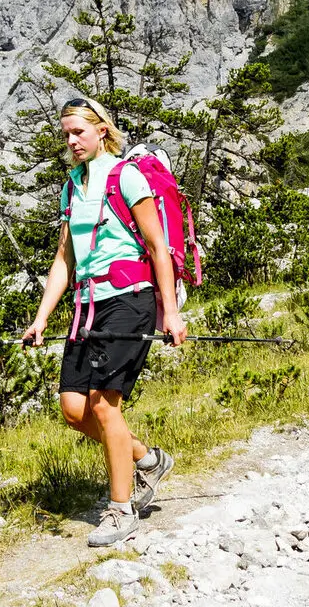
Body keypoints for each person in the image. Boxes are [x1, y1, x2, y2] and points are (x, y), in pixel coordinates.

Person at [22, 97, 186, 546]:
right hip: (88, 304)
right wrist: (40, 319)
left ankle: (120, 509)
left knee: (103, 405)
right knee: (74, 410)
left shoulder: (125, 177)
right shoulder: (72, 186)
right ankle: (149, 461)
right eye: (66, 135)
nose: (72, 141)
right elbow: (63, 259)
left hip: (130, 300)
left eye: (79, 132)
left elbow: (157, 247)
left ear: (101, 131)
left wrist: (169, 311)